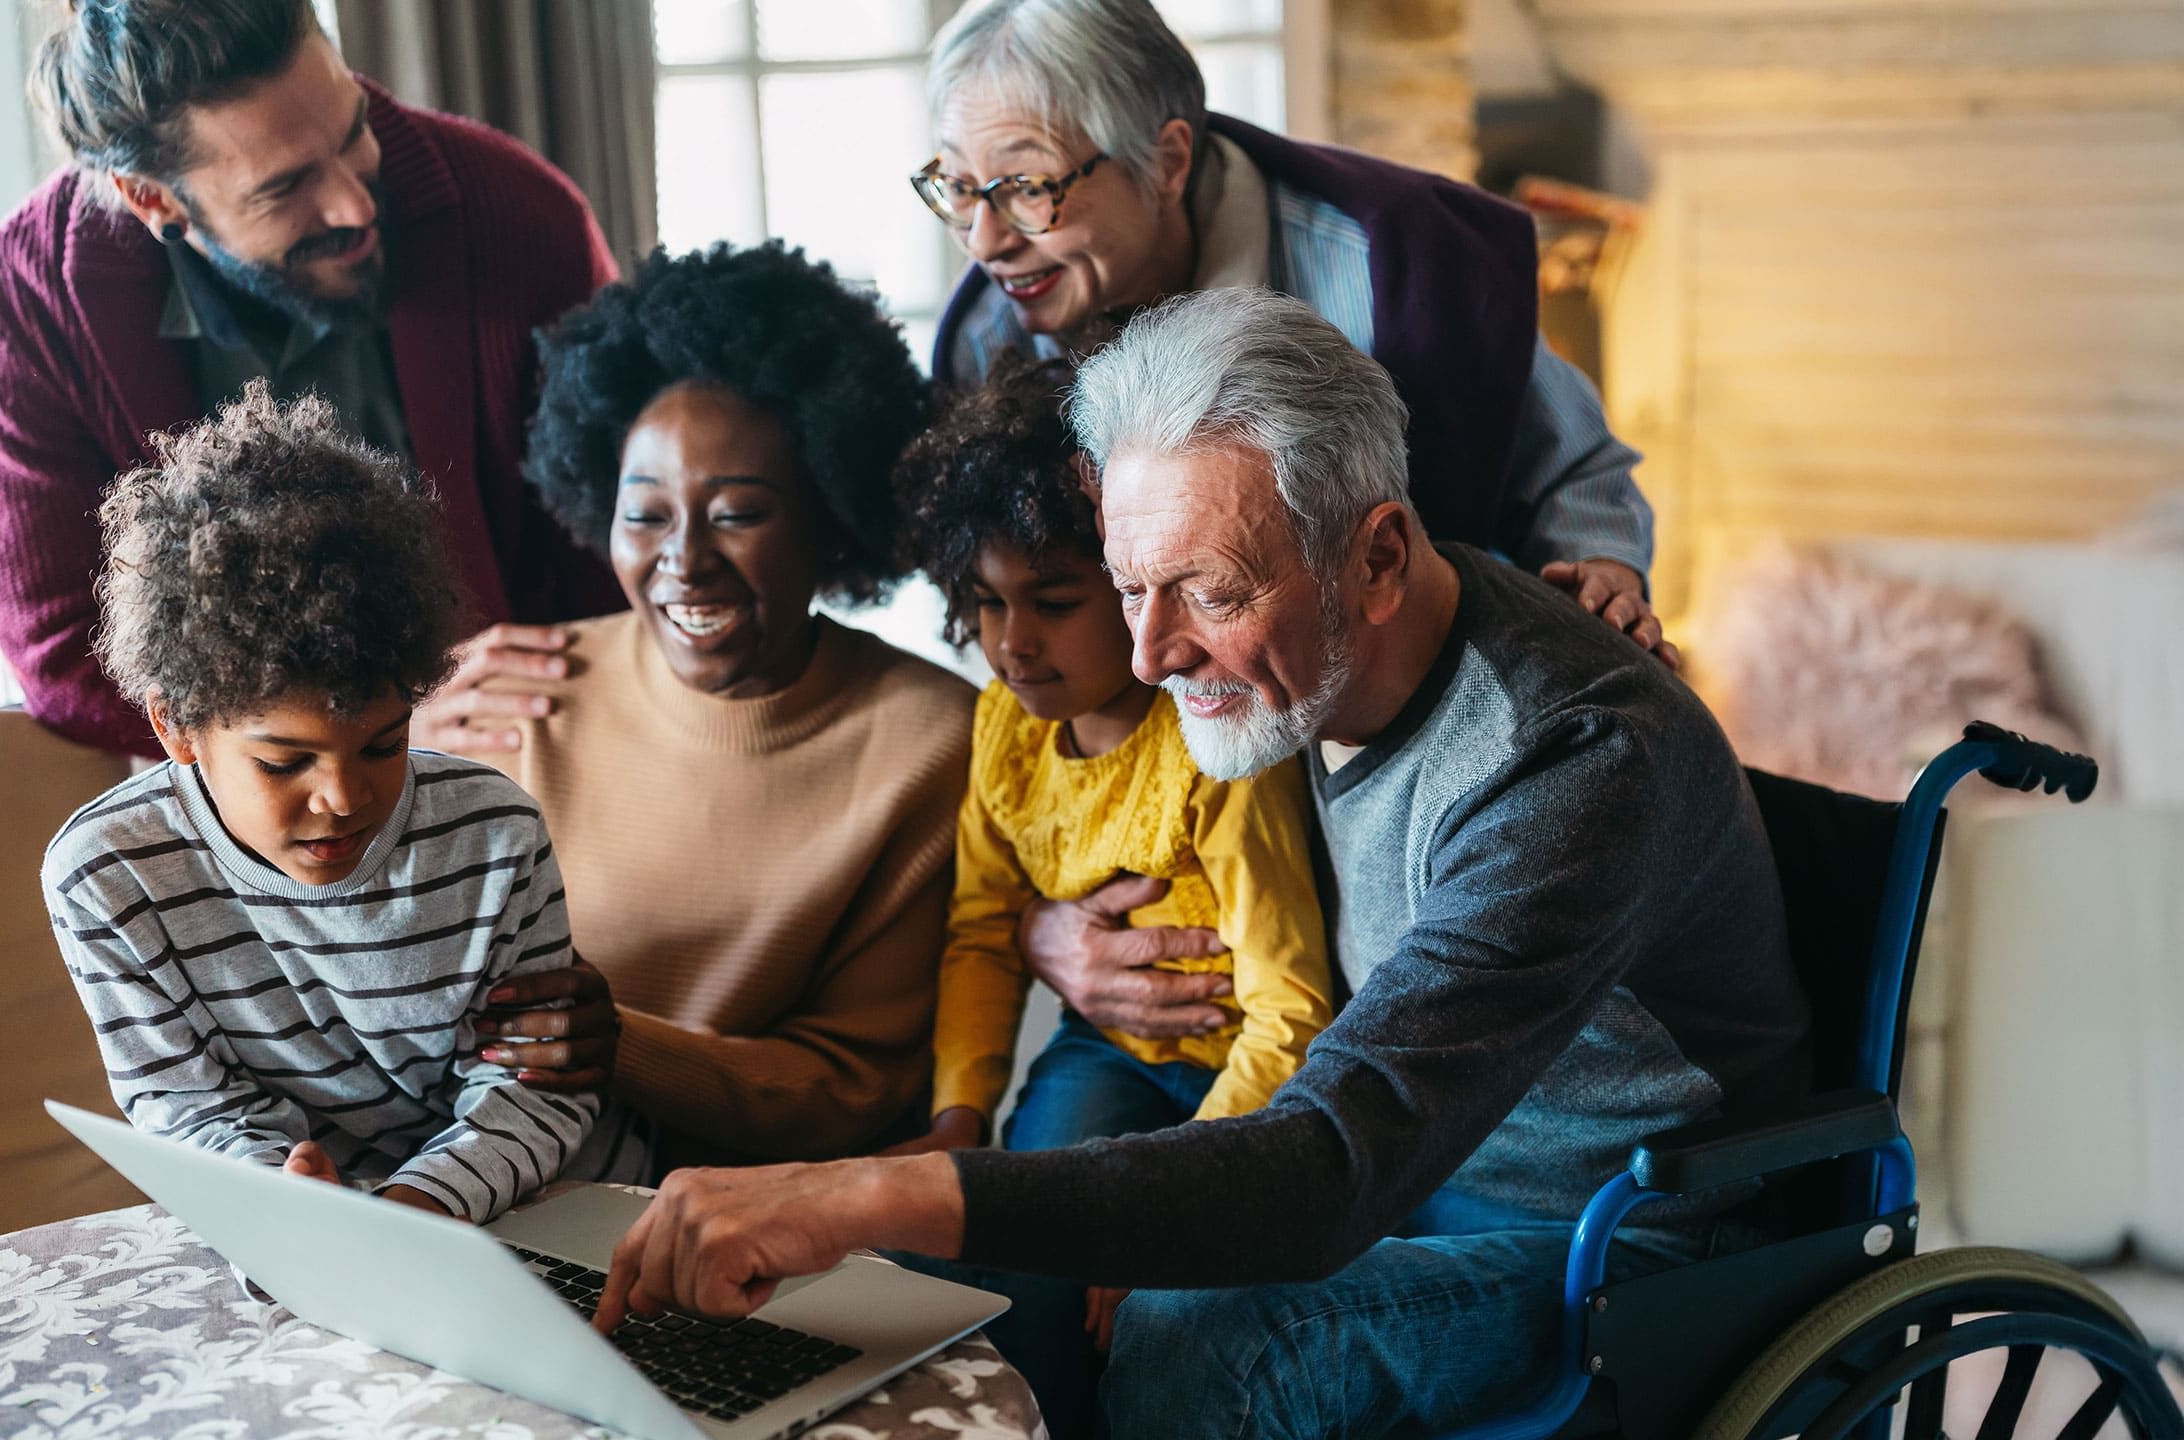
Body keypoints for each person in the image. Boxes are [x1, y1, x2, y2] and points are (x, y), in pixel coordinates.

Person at [588, 290, 1810, 1440]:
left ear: (1381, 555)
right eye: (1126, 588)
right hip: (1412, 1170)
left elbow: (1337, 1161)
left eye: (1207, 592)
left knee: (1197, 1340)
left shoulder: (1573, 759)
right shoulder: (1312, 655)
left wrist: (852, 1190)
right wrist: (1036, 943)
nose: (1154, 652)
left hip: (1616, 1232)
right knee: (985, 1273)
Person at [915, 0, 1674, 668]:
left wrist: (1602, 573)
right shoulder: (987, 341)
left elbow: (1574, 467)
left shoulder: (1391, 272)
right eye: (956, 186)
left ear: (1168, 161)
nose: (983, 242)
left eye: (1026, 188)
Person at [43, 384, 639, 1226]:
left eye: (384, 744)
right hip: (324, 1236)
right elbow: (185, 1109)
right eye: (285, 762)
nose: (345, 798)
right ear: (177, 726)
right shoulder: (105, 878)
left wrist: (408, 1211)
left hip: (552, 1209)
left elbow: (537, 1089)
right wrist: (294, 1211)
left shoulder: (494, 835)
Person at [0, 0, 620, 763]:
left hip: (519, 761)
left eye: (355, 133)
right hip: (234, 814)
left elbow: (615, 566)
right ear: (152, 199)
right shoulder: (32, 299)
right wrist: (361, 729)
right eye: (284, 189)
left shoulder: (524, 220)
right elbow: (57, 651)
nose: (355, 202)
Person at [883, 357, 1335, 1434]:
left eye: (1052, 600)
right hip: (1111, 1052)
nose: (1012, 641)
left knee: (1148, 1296)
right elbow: (985, 931)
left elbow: (1294, 1013)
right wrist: (958, 1115)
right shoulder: (1005, 728)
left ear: (1134, 584)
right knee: (1024, 1245)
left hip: (1250, 1076)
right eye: (984, 604)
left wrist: (1168, 1208)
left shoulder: (1215, 748)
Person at [502, 242, 975, 1166]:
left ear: (828, 518)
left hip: (766, 1228)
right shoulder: (530, 692)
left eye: (737, 514)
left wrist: (622, 1049)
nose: (684, 559)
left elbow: (852, 1089)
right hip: (508, 1188)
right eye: (646, 515)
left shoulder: (929, 741)